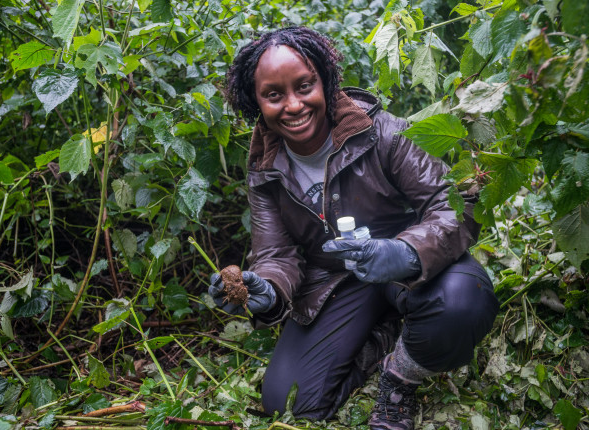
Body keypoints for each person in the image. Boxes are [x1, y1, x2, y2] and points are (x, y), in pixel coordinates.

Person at [209, 26, 499, 429]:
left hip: (412, 270)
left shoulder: (383, 134)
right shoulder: (264, 168)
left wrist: (406, 252)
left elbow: (457, 204)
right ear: (256, 102)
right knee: (289, 405)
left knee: (463, 303)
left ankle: (401, 377)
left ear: (324, 83)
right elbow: (276, 254)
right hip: (336, 285)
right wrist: (268, 292)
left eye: (304, 86)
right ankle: (387, 335)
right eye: (274, 95)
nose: (293, 105)